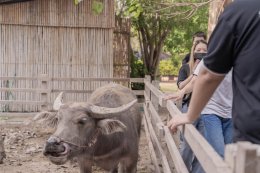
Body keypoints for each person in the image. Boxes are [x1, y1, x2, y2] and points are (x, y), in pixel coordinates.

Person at [168, 0, 260, 144]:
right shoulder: (194, 64)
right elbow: (196, 79)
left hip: (248, 127)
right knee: (218, 153)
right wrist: (181, 93)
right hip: (214, 111)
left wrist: (189, 116)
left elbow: (208, 76)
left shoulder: (238, 13)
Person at [167, 40, 208, 173]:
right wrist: (195, 73)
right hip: (188, 107)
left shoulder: (210, 65)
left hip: (205, 109)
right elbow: (180, 86)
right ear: (193, 51)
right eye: (199, 50)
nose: (202, 52)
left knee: (202, 146)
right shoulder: (185, 67)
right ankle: (182, 169)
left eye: (204, 50)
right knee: (187, 145)